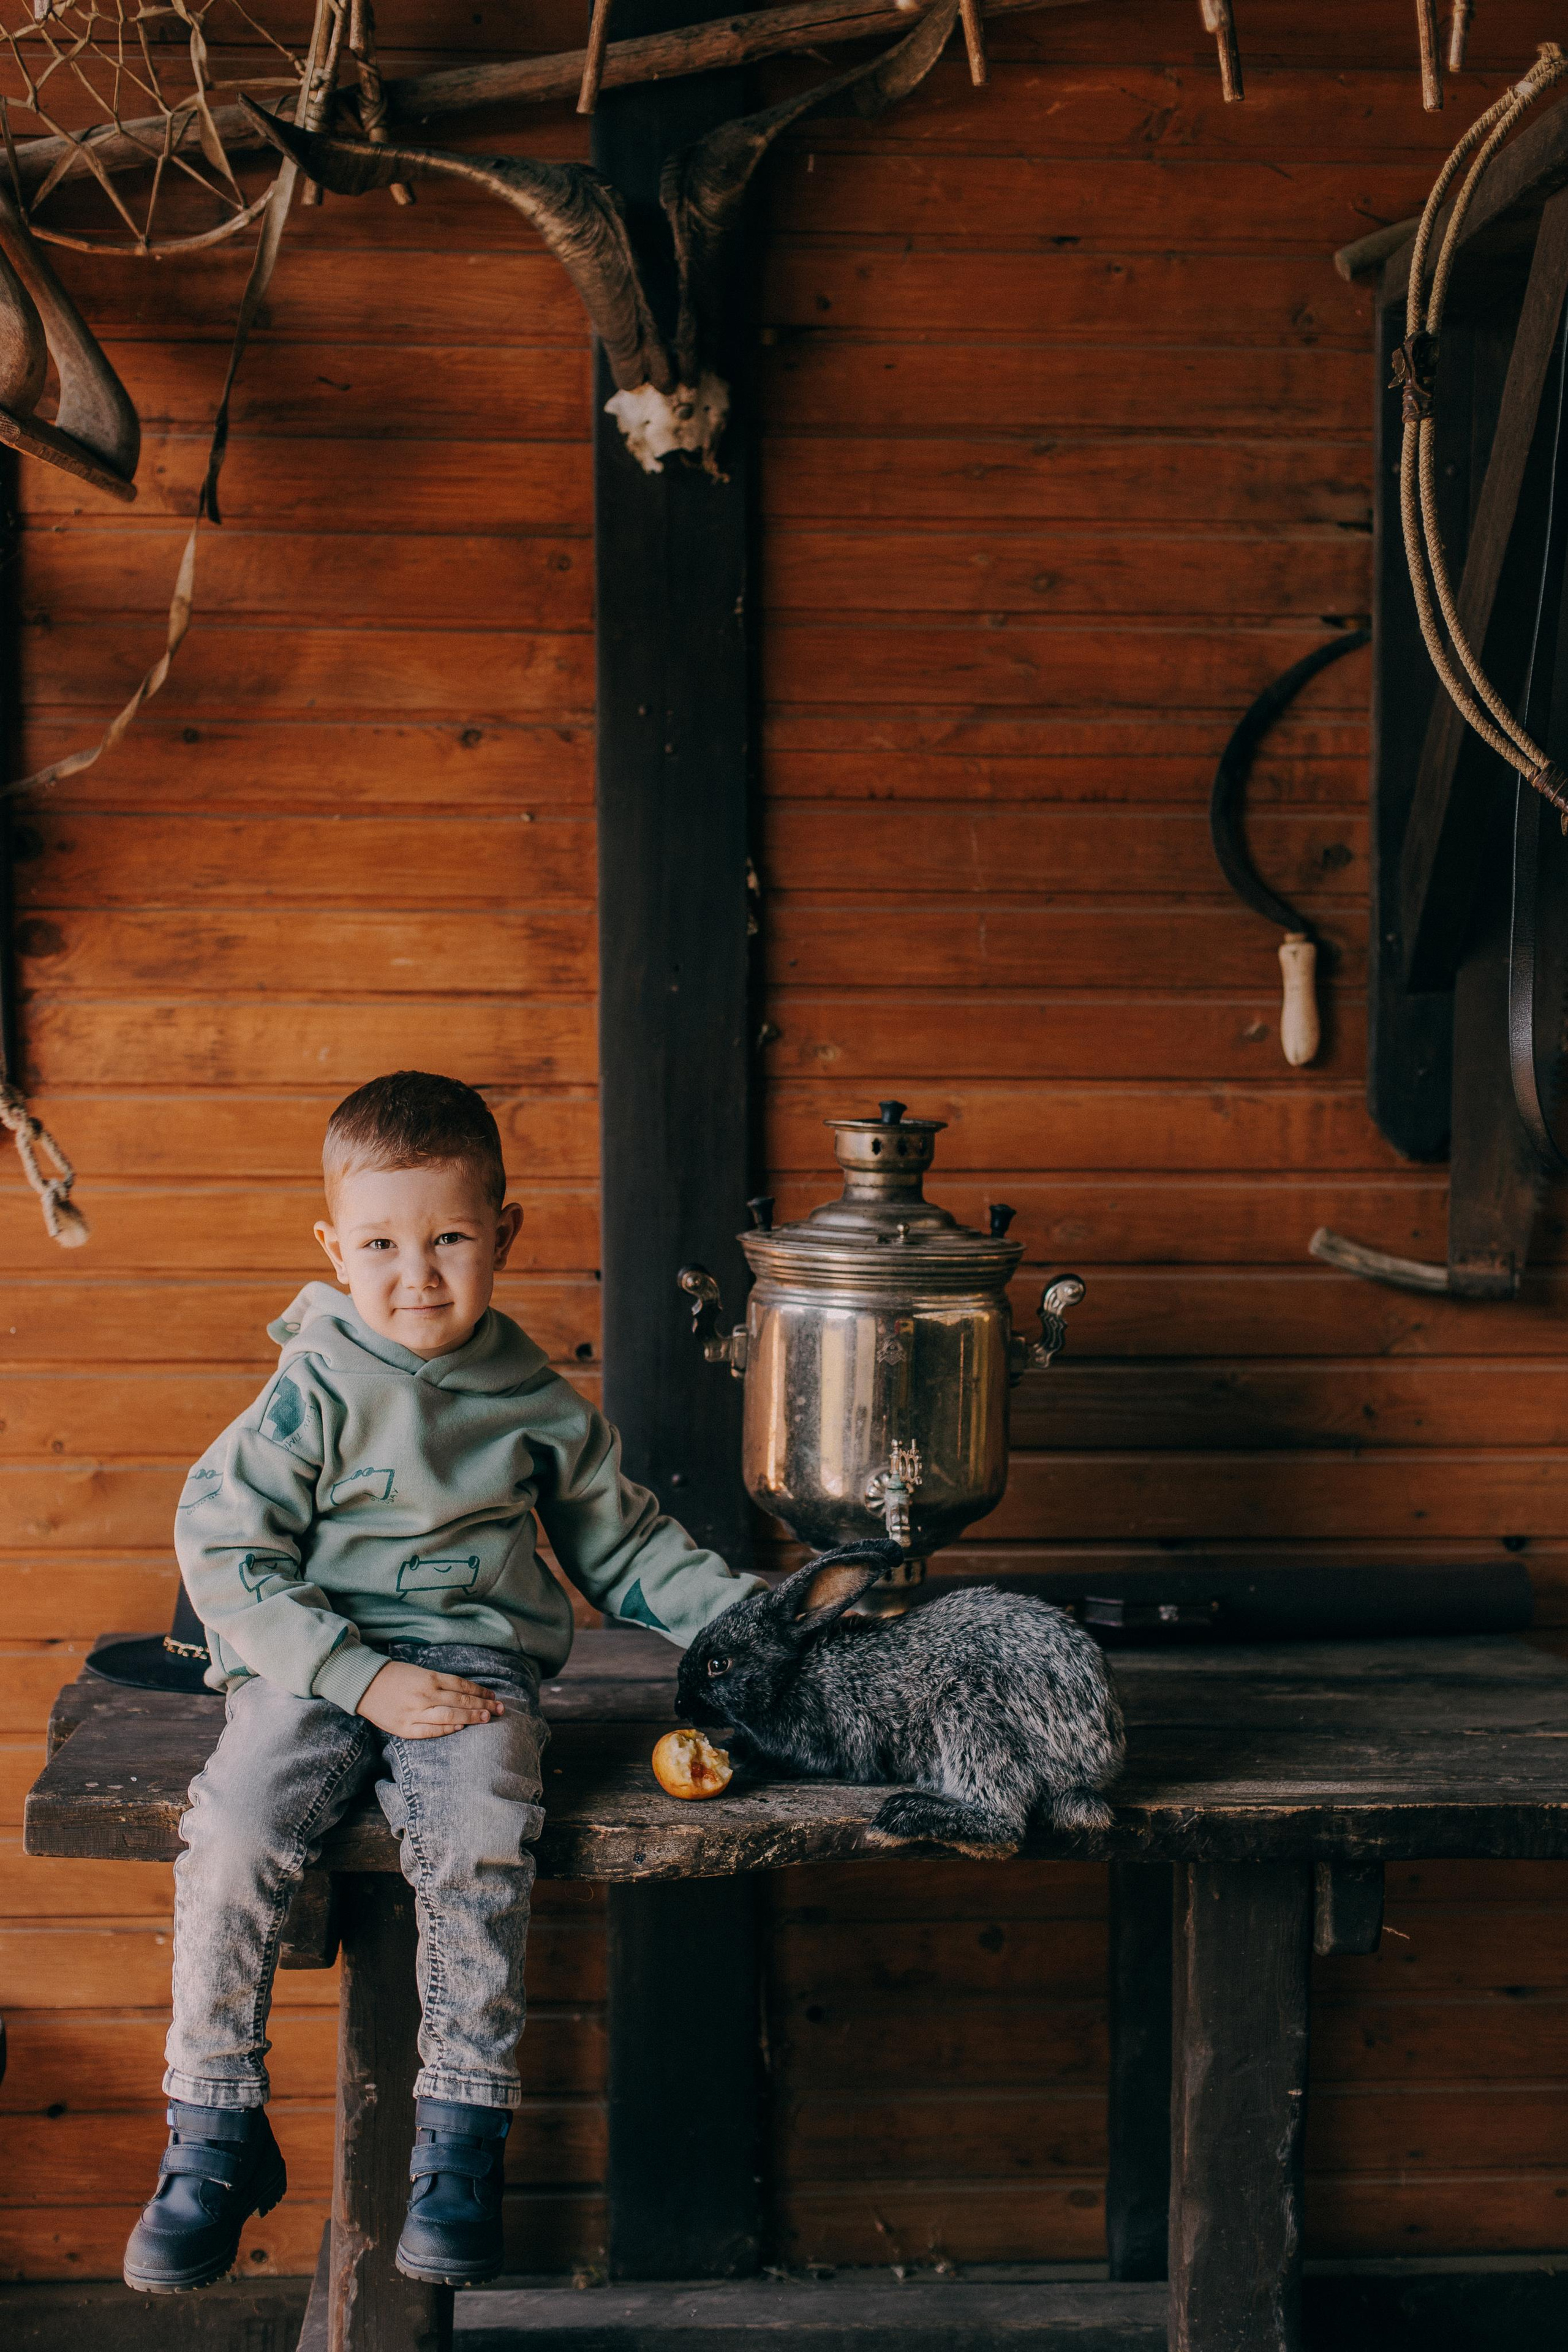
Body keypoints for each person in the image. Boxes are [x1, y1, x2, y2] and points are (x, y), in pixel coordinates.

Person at [123, 1070, 761, 2294]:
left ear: (503, 1236)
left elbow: (624, 1550)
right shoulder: (309, 1389)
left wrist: (751, 1625)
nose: (415, 1275)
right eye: (380, 1245)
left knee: (476, 1832)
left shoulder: (534, 1403)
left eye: (450, 1239)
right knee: (238, 1824)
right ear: (332, 1247)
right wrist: (358, 1680)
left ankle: (460, 2141)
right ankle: (209, 2129)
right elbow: (224, 1553)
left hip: (474, 1671)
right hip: (311, 1658)